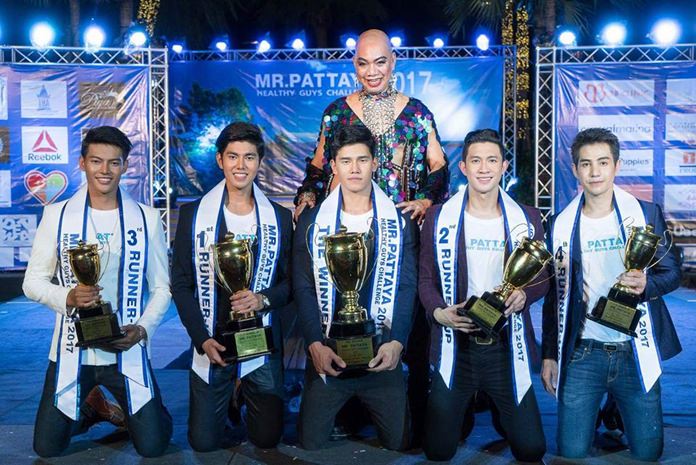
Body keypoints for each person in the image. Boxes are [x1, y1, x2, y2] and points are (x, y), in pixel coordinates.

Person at [23, 126, 172, 458]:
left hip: (125, 346)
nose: (105, 171)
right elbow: (32, 282)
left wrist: (143, 330)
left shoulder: (147, 218)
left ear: (125, 166)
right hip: (72, 350)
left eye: (114, 163)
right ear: (82, 163)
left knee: (154, 445)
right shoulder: (56, 215)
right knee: (46, 448)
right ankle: (95, 408)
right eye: (96, 161)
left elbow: (162, 287)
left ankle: (136, 413)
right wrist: (67, 298)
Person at [541, 127, 681, 461]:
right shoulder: (559, 224)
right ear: (575, 170)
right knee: (571, 452)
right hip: (583, 353)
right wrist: (549, 354)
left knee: (649, 453)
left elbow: (672, 273)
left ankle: (616, 412)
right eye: (586, 164)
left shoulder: (645, 214)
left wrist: (647, 285)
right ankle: (608, 411)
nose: (595, 172)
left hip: (634, 349)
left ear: (616, 166)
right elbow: (554, 295)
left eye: (603, 162)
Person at [419, 129, 547, 462]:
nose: (484, 168)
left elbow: (542, 278)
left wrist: (525, 295)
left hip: (505, 349)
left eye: (492, 160)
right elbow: (426, 279)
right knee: (438, 450)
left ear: (505, 165)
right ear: (463, 167)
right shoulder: (438, 217)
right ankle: (468, 408)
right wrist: (438, 313)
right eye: (475, 160)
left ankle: (497, 408)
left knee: (532, 449)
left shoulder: (528, 218)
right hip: (456, 345)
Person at [293, 124, 418, 450]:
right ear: (333, 165)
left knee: (398, 444)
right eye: (346, 161)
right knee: (310, 444)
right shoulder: (311, 221)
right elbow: (304, 287)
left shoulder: (399, 222)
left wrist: (397, 344)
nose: (355, 169)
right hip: (328, 352)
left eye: (362, 160)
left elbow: (406, 287)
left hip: (381, 353)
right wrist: (314, 346)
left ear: (375, 162)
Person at [171, 122, 292, 451]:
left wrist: (262, 299)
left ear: (259, 161)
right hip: (214, 339)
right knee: (203, 442)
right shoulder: (194, 215)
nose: (241, 166)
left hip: (259, 340)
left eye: (249, 157)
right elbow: (181, 284)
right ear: (220, 159)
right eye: (233, 157)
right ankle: (231, 393)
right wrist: (201, 338)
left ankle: (243, 391)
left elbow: (290, 284)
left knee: (266, 439)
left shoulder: (279, 218)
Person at [293, 29, 449, 223]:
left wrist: (425, 200)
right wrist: (308, 196)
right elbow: (318, 166)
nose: (372, 72)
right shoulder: (337, 112)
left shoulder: (417, 113)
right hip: (345, 226)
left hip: (402, 228)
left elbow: (438, 164)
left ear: (393, 61)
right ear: (354, 64)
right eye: (363, 63)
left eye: (380, 62)